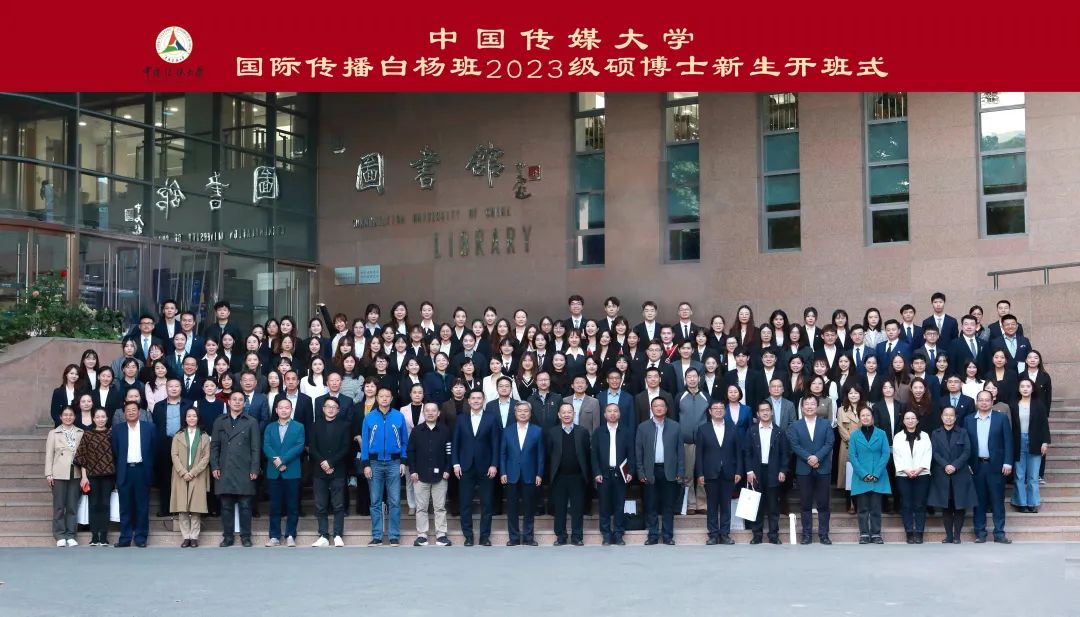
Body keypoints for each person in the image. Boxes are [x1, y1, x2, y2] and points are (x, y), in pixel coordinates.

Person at [210, 391, 261, 548]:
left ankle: (246, 537)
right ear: (229, 402)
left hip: (245, 468)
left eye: (240, 400)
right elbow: (214, 446)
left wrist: (254, 468)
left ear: (244, 403)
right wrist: (215, 466)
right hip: (225, 468)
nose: (237, 402)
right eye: (234, 399)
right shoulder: (220, 421)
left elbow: (255, 448)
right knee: (226, 506)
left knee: (245, 506)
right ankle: (228, 537)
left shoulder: (251, 421)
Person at [360, 387, 409, 546]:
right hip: (374, 464)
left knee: (394, 501)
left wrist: (403, 461)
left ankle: (394, 535)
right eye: (381, 396)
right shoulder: (369, 417)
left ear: (391, 398)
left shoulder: (399, 416)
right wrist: (366, 464)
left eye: (387, 396)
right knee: (375, 501)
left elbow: (404, 441)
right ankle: (377, 536)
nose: (384, 399)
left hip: (394, 463)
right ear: (377, 398)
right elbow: (365, 443)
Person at [453, 390, 500, 546]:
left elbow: (495, 443)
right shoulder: (461, 419)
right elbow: (456, 442)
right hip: (465, 466)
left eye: (479, 398)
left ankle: (484, 536)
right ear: (468, 401)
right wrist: (455, 463)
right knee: (465, 503)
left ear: (483, 400)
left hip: (486, 467)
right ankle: (468, 536)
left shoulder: (491, 418)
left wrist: (494, 464)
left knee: (487, 504)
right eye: (473, 398)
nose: (476, 400)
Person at [965, 390, 1013, 543]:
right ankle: (980, 533)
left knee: (997, 501)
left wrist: (1008, 462)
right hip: (976, 466)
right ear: (977, 402)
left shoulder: (1001, 418)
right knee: (979, 502)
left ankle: (999, 533)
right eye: (981, 400)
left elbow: (1008, 441)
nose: (984, 403)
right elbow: (965, 444)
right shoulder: (968, 420)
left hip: (996, 466)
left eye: (987, 400)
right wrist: (966, 464)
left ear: (992, 402)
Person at [635, 397, 684, 545]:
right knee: (651, 505)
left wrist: (680, 471)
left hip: (669, 471)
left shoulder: (675, 426)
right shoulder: (643, 427)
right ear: (651, 409)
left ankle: (668, 536)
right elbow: (638, 451)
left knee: (668, 505)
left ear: (666, 409)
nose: (659, 408)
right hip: (650, 471)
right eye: (655, 406)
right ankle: (653, 535)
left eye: (661, 406)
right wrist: (640, 471)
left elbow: (680, 452)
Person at [788, 396, 834, 545]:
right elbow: (794, 445)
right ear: (802, 408)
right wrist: (809, 457)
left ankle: (824, 534)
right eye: (806, 404)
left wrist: (817, 457)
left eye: (812, 404)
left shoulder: (826, 424)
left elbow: (829, 443)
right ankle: (806, 534)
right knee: (805, 504)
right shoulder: (795, 425)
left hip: (823, 468)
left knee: (823, 504)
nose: (809, 407)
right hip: (803, 469)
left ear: (817, 406)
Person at [695, 400, 743, 545]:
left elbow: (738, 452)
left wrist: (739, 471)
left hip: (729, 472)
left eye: (721, 408)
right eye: (715, 408)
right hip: (710, 472)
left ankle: (725, 534)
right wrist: (700, 473)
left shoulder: (732, 428)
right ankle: (713, 534)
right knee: (712, 505)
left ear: (725, 411)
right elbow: (699, 454)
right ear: (710, 411)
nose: (718, 410)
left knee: (726, 505)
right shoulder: (703, 429)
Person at [928, 407, 978, 543]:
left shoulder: (963, 432)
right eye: (946, 415)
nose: (948, 418)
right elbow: (934, 452)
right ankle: (949, 536)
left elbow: (967, 451)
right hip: (942, 473)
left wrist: (955, 465)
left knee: (959, 505)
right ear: (941, 417)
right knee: (946, 506)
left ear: (955, 418)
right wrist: (946, 465)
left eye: (951, 415)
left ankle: (957, 536)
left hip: (960, 473)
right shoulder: (935, 433)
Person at [407, 402, 453, 547]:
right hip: (420, 476)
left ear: (438, 413)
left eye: (434, 410)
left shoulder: (445, 430)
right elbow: (410, 452)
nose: (430, 413)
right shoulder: (416, 431)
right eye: (427, 410)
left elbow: (449, 452)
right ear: (423, 413)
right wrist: (413, 471)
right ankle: (422, 535)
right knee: (421, 508)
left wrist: (447, 470)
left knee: (440, 507)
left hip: (441, 476)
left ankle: (441, 535)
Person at [546, 402, 591, 546]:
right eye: (563, 412)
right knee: (560, 508)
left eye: (569, 412)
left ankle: (577, 536)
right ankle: (561, 536)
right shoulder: (552, 432)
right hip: (559, 477)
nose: (566, 415)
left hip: (577, 477)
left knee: (577, 508)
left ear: (574, 414)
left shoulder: (582, 431)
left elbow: (587, 454)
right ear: (559, 415)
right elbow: (549, 454)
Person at [111, 401, 155, 547]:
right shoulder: (118, 429)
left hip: (142, 470)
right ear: (124, 413)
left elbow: (154, 450)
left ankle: (141, 538)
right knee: (125, 507)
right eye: (128, 410)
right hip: (125, 471)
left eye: (133, 409)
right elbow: (115, 451)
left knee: (142, 507)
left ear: (139, 412)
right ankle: (125, 538)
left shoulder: (149, 428)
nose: (131, 412)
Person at [744, 401, 789, 544]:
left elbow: (784, 454)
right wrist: (749, 471)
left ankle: (773, 535)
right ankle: (757, 535)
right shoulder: (751, 431)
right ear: (757, 414)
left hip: (773, 471)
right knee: (757, 504)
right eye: (762, 410)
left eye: (767, 410)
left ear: (772, 412)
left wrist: (783, 470)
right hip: (756, 471)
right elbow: (747, 453)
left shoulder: (779, 431)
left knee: (773, 505)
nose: (765, 412)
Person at [501, 402, 544, 546]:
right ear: (515, 413)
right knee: (512, 508)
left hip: (530, 474)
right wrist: (503, 472)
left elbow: (540, 455)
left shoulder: (537, 431)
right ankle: (513, 537)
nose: (523, 413)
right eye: (520, 411)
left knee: (529, 508)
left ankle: (528, 537)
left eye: (526, 411)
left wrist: (539, 473)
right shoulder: (507, 431)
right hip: (511, 474)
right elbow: (503, 453)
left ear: (530, 414)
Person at [309, 397, 351, 547]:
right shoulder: (315, 425)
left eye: (334, 407)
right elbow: (312, 447)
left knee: (338, 504)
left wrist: (331, 463)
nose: (331, 409)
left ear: (338, 410)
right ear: (323, 409)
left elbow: (346, 447)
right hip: (319, 470)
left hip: (338, 469)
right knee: (320, 505)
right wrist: (323, 463)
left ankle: (338, 534)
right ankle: (323, 535)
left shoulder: (345, 425)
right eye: (328, 406)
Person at [263, 398, 305, 547]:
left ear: (291, 410)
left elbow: (299, 446)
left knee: (292, 505)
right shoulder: (270, 427)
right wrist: (276, 460)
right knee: (274, 505)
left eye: (287, 407)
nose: (284, 410)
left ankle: (290, 535)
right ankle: (274, 536)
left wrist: (283, 460)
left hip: (291, 470)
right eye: (281, 407)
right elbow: (266, 445)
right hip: (274, 471)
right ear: (276, 410)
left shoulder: (299, 426)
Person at [592, 403, 634, 545]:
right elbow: (594, 455)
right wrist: (596, 472)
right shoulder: (598, 432)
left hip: (620, 474)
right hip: (603, 475)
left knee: (619, 506)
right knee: (604, 506)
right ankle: (606, 534)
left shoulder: (626, 432)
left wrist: (630, 471)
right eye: (609, 411)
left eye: (615, 411)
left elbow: (631, 454)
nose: (612, 413)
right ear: (604, 415)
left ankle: (618, 534)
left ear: (619, 414)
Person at [848, 406, 891, 544]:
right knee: (862, 508)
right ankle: (864, 534)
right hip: (861, 477)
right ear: (859, 418)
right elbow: (852, 456)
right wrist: (863, 474)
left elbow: (885, 454)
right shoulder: (854, 435)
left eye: (868, 415)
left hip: (878, 475)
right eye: (863, 415)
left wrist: (876, 473)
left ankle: (876, 534)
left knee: (876, 508)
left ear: (872, 417)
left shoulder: (881, 434)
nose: (865, 418)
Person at [74, 408, 115, 546]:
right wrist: (84, 477)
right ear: (93, 419)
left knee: (105, 504)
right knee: (94, 505)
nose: (100, 419)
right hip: (91, 475)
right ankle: (94, 536)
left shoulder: (112, 434)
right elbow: (83, 457)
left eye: (103, 417)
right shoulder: (88, 434)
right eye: (98, 417)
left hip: (108, 475)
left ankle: (103, 536)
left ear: (107, 418)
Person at [170, 407, 210, 548]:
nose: (191, 418)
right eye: (189, 416)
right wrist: (183, 472)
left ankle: (194, 537)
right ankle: (185, 537)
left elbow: (206, 457)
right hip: (180, 475)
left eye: (194, 416)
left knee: (195, 508)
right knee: (182, 508)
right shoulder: (178, 435)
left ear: (198, 418)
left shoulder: (204, 436)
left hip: (197, 475)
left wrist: (193, 472)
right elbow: (174, 455)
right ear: (185, 418)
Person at [1010, 377, 1050, 513]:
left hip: (1035, 441)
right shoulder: (1013, 405)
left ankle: (1033, 503)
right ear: (1018, 389)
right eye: (1022, 386)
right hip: (1017, 441)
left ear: (1032, 389)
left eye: (1028, 386)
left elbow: (1044, 425)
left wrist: (1045, 442)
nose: (1025, 389)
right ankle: (1021, 503)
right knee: (1019, 474)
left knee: (1033, 475)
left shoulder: (1039, 404)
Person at [45, 406, 84, 547]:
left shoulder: (80, 432)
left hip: (76, 472)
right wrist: (49, 474)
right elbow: (49, 454)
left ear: (75, 417)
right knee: (59, 506)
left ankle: (71, 534)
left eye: (71, 415)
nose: (68, 417)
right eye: (65, 415)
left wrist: (84, 475)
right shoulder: (53, 433)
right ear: (60, 417)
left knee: (72, 505)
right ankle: (60, 534)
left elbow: (84, 455)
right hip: (58, 472)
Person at [151, 378, 188, 517]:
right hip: (164, 444)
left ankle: (181, 508)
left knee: (182, 475)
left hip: (183, 443)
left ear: (181, 388)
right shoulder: (158, 406)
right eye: (170, 386)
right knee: (165, 477)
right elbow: (155, 426)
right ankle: (165, 508)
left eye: (176, 386)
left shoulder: (188, 404)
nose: (173, 388)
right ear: (166, 388)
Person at [893, 410, 931, 543]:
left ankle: (919, 532)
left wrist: (919, 469)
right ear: (903, 421)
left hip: (922, 474)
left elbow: (928, 453)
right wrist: (906, 470)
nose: (910, 421)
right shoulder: (898, 437)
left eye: (913, 418)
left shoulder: (925, 436)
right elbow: (896, 455)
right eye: (907, 418)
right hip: (903, 475)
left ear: (917, 420)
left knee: (920, 504)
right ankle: (909, 532)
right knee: (906, 504)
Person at [678, 368, 710, 514]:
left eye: (694, 376)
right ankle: (690, 504)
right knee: (688, 474)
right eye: (689, 377)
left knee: (703, 473)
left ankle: (702, 504)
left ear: (699, 378)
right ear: (685, 379)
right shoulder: (680, 396)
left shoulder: (706, 396)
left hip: (704, 441)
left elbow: (710, 417)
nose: (692, 379)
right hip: (686, 441)